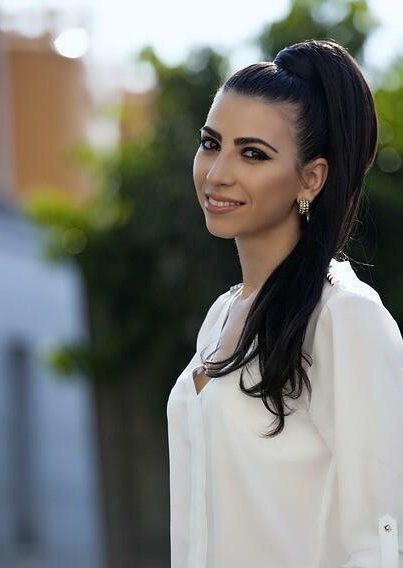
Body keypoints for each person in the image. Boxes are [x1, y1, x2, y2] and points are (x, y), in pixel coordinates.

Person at [166, 38, 403, 568]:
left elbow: (383, 536)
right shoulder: (221, 316)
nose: (217, 173)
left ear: (311, 178)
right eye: (211, 143)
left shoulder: (343, 316)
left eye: (253, 153)